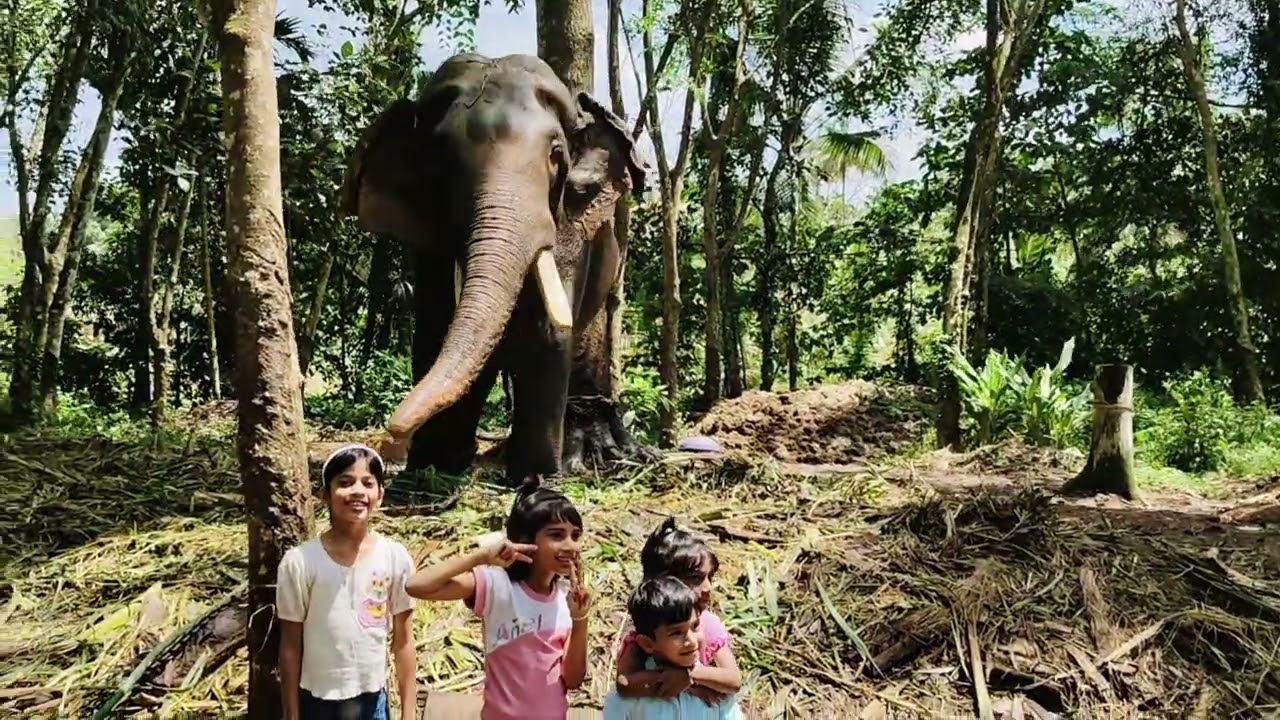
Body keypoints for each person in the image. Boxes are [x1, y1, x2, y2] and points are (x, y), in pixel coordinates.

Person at [405, 477, 592, 719]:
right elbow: (416, 585)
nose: (570, 545)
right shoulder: (497, 585)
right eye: (557, 535)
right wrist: (480, 557)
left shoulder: (568, 599)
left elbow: (573, 680)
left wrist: (581, 619)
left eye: (575, 536)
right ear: (526, 540)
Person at [276, 444, 418, 720]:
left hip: (371, 701)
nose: (357, 491)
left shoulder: (394, 557)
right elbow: (290, 646)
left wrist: (409, 713)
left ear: (380, 495)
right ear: (325, 495)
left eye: (368, 483)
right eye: (345, 482)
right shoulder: (300, 562)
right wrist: (291, 713)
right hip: (316, 702)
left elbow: (403, 643)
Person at [614, 517, 742, 705]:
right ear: (663, 581)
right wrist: (678, 681)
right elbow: (625, 683)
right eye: (695, 578)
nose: (707, 588)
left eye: (710, 577)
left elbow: (733, 680)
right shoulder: (650, 628)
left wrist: (689, 676)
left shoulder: (708, 624)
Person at [602, 578, 745, 720]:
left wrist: (690, 676)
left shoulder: (716, 695)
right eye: (676, 633)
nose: (691, 640)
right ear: (648, 644)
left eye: (695, 626)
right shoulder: (630, 700)